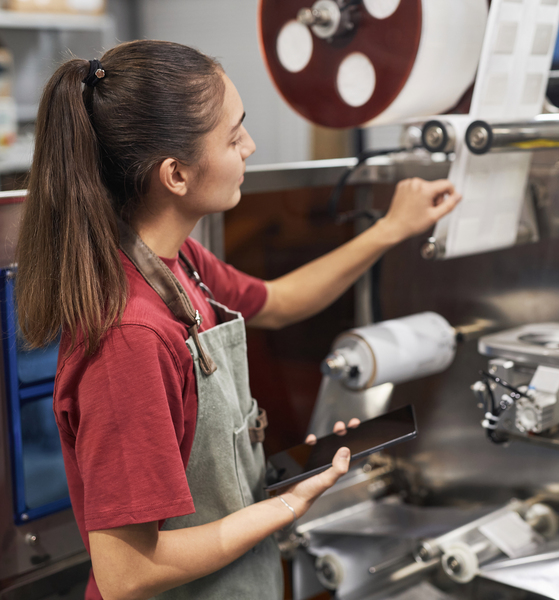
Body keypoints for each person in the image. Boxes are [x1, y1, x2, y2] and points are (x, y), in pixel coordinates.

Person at [15, 40, 461, 600]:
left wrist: (391, 228)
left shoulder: (181, 266)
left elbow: (280, 301)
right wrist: (285, 505)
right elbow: (128, 572)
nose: (249, 146)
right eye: (233, 136)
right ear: (175, 175)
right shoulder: (130, 337)